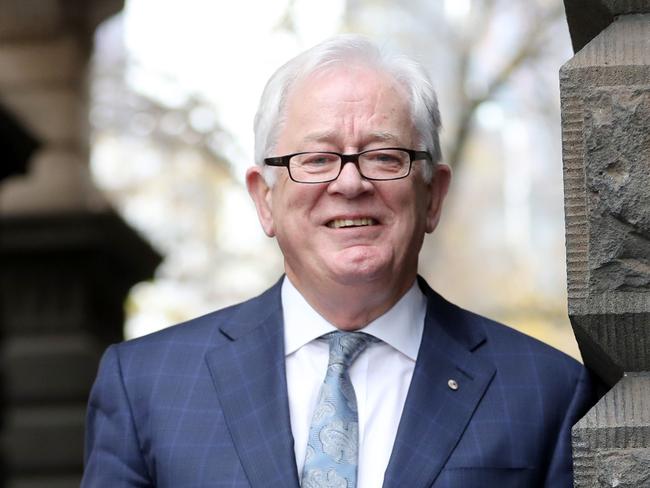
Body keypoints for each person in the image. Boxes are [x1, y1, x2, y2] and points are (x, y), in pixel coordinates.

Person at [82, 35, 598, 487]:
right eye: (317, 159)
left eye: (384, 156)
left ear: (433, 196)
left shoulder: (546, 392)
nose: (350, 183)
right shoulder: (146, 387)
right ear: (265, 199)